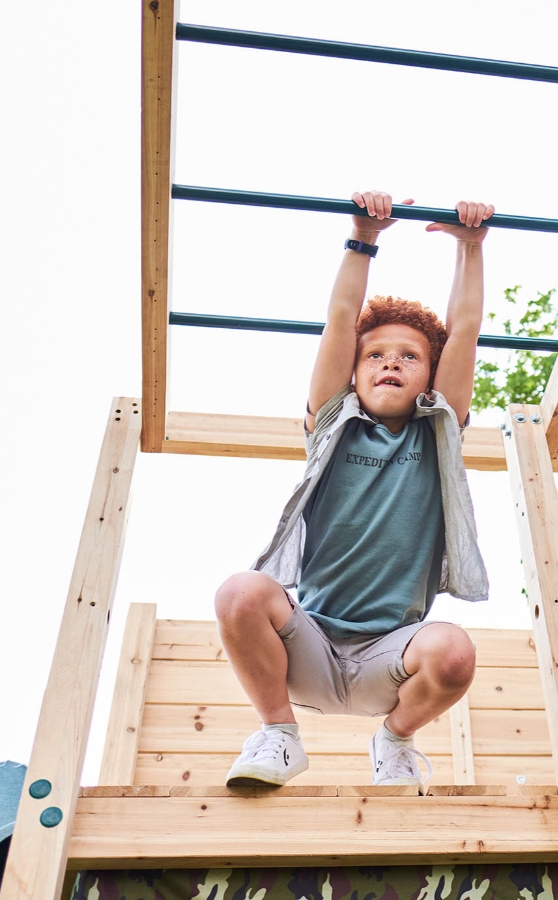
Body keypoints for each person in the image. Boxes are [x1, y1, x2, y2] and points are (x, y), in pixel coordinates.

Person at [213, 190, 494, 790]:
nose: (389, 364)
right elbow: (341, 319)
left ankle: (394, 741)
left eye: (409, 357)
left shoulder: (439, 428)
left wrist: (470, 248)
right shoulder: (332, 425)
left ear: (430, 375)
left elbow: (466, 329)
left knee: (455, 653)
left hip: (390, 662)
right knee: (241, 592)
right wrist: (363, 238)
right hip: (305, 648)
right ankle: (279, 736)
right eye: (375, 356)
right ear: (353, 370)